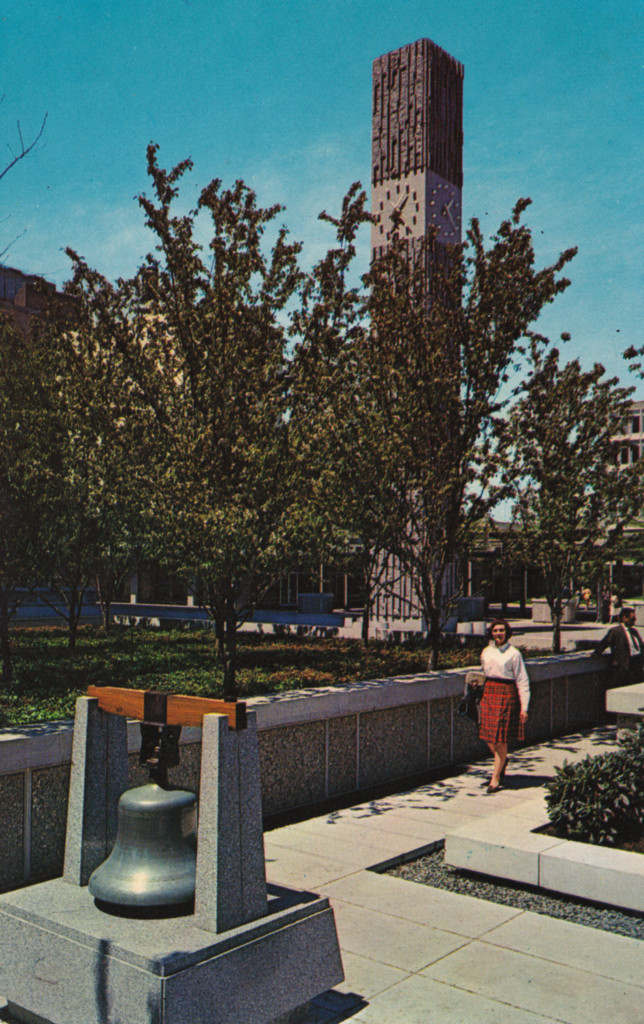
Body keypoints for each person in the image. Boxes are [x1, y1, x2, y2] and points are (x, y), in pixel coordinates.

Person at [477, 618, 530, 792]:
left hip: (506, 694)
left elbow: (522, 680)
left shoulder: (514, 654)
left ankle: (495, 778)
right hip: (489, 692)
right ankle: (502, 760)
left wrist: (524, 707)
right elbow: (484, 672)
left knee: (500, 737)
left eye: (501, 630)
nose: (498, 634)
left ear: (507, 633)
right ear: (491, 633)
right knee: (487, 734)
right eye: (495, 630)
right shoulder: (486, 651)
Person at [592, 606, 643, 688]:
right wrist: (596, 653)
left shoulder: (634, 631)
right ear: (624, 618)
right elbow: (605, 642)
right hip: (624, 667)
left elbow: (641, 646)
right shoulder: (616, 631)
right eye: (632, 619)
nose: (634, 621)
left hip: (636, 665)